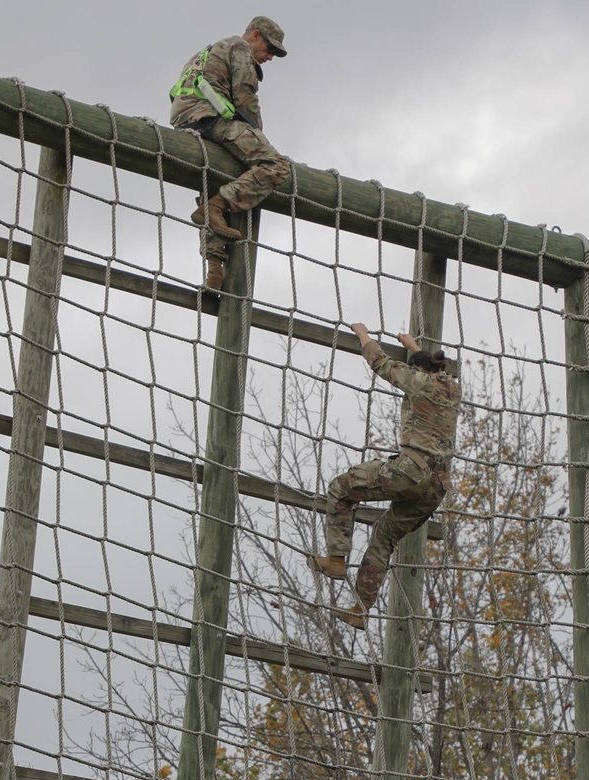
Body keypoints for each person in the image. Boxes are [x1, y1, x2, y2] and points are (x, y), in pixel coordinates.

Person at [312, 325, 461, 630]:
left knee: (341, 488)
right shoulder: (453, 390)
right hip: (437, 487)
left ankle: (336, 559)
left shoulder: (420, 383)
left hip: (411, 471)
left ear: (420, 370)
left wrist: (363, 335)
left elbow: (381, 363)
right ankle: (361, 609)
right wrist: (413, 345)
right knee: (384, 537)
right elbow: (426, 364)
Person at [170, 19, 291, 293]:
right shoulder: (239, 47)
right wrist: (259, 137)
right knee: (275, 166)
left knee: (220, 178)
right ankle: (215, 207)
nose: (270, 57)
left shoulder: (208, 51)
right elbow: (244, 94)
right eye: (270, 48)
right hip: (211, 116)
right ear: (255, 35)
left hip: (188, 120)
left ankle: (214, 271)